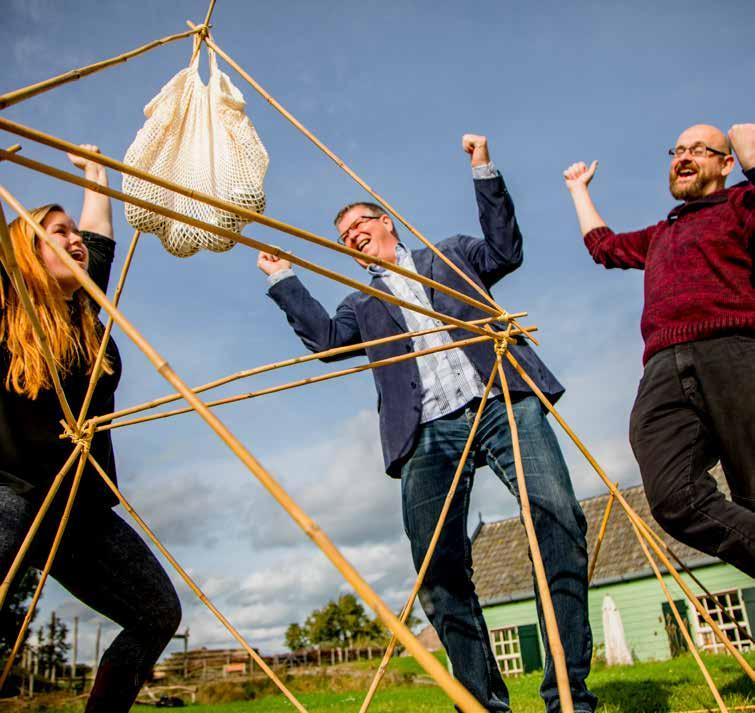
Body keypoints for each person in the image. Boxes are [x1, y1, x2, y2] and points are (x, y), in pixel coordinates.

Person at [258, 135, 596, 713]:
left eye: (358, 226)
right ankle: (483, 704)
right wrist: (284, 279)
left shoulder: (452, 255)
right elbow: (326, 343)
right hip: (427, 434)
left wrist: (483, 169)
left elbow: (505, 250)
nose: (351, 238)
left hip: (500, 400)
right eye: (343, 239)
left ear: (386, 222)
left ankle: (567, 697)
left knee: (558, 523)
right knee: (437, 568)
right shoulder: (359, 303)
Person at [0, 148, 181, 711]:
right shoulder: (6, 304)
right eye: (57, 233)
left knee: (156, 613)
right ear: (25, 255)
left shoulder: (86, 308)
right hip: (8, 492)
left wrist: (94, 174)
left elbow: (98, 238)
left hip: (79, 506)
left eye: (73, 231)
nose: (74, 239)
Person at [563, 123, 755, 577]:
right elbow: (604, 247)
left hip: (734, 350)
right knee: (674, 498)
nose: (683, 157)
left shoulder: (741, 205)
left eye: (699, 150)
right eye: (678, 150)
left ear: (727, 163)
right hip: (663, 367)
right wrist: (577, 190)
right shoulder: (660, 232)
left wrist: (740, 135)